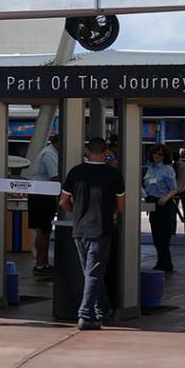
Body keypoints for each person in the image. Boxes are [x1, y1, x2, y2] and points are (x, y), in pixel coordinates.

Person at [58, 136, 124, 331]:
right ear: (105, 153)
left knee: (91, 273)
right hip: (101, 229)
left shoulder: (75, 172)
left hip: (79, 230)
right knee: (94, 274)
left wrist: (77, 211)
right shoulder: (114, 174)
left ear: (88, 152)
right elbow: (120, 206)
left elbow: (63, 202)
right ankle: (85, 315)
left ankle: (102, 309)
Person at [143, 144, 182, 273]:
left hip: (164, 204)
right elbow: (147, 185)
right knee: (156, 236)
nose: (157, 156)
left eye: (160, 154)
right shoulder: (150, 168)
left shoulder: (167, 169)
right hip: (152, 203)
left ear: (165, 156)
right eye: (155, 153)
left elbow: (174, 189)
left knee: (163, 237)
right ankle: (163, 263)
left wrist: (165, 198)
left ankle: (165, 264)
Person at [30, 132, 62, 275]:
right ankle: (41, 263)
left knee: (44, 230)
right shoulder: (50, 154)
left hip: (41, 194)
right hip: (42, 195)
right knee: (43, 230)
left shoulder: (50, 152)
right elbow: (55, 177)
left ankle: (42, 262)